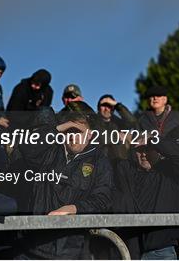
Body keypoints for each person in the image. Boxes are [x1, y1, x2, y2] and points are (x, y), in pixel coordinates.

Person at [17, 110, 112, 259]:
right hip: (32, 244)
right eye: (69, 132)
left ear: (90, 135)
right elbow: (26, 147)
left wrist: (74, 208)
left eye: (79, 132)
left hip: (71, 248)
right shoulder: (49, 153)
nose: (73, 137)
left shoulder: (100, 161)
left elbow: (103, 199)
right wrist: (58, 127)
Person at [112, 134, 179, 259]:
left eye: (148, 150)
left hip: (161, 251)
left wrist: (152, 140)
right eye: (140, 150)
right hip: (130, 251)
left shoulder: (170, 172)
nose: (144, 154)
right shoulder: (126, 171)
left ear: (158, 151)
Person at [96, 94, 137, 161]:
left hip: (119, 161)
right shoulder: (93, 121)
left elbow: (132, 122)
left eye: (109, 106)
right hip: (100, 162)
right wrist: (116, 136)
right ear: (98, 108)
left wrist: (118, 105)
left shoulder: (118, 122)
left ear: (113, 108)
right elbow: (101, 138)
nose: (106, 109)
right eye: (103, 105)